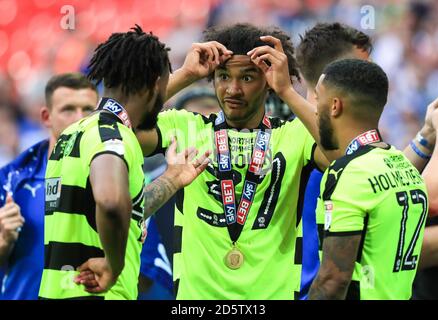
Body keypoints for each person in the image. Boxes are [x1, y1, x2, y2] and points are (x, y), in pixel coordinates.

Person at [135, 23, 330, 299]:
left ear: (268, 81)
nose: (233, 89)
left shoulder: (294, 135)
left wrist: (287, 90)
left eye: (248, 78)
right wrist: (184, 75)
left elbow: (343, 153)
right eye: (223, 76)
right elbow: (114, 127)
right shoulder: (185, 127)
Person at [39, 26, 210, 300]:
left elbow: (127, 214)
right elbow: (110, 202)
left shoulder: (74, 133)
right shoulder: (115, 138)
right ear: (155, 85)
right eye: (163, 86)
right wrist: (113, 264)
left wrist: (171, 179)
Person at [295, 22, 438, 299]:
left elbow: (384, 180)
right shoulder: (304, 142)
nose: (371, 76)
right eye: (362, 67)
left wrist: (426, 135)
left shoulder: (359, 152)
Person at [0, 73, 98, 299]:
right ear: (46, 117)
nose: (80, 119)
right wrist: (4, 239)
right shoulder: (11, 180)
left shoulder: (118, 176)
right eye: (68, 109)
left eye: (88, 110)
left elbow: (141, 277)